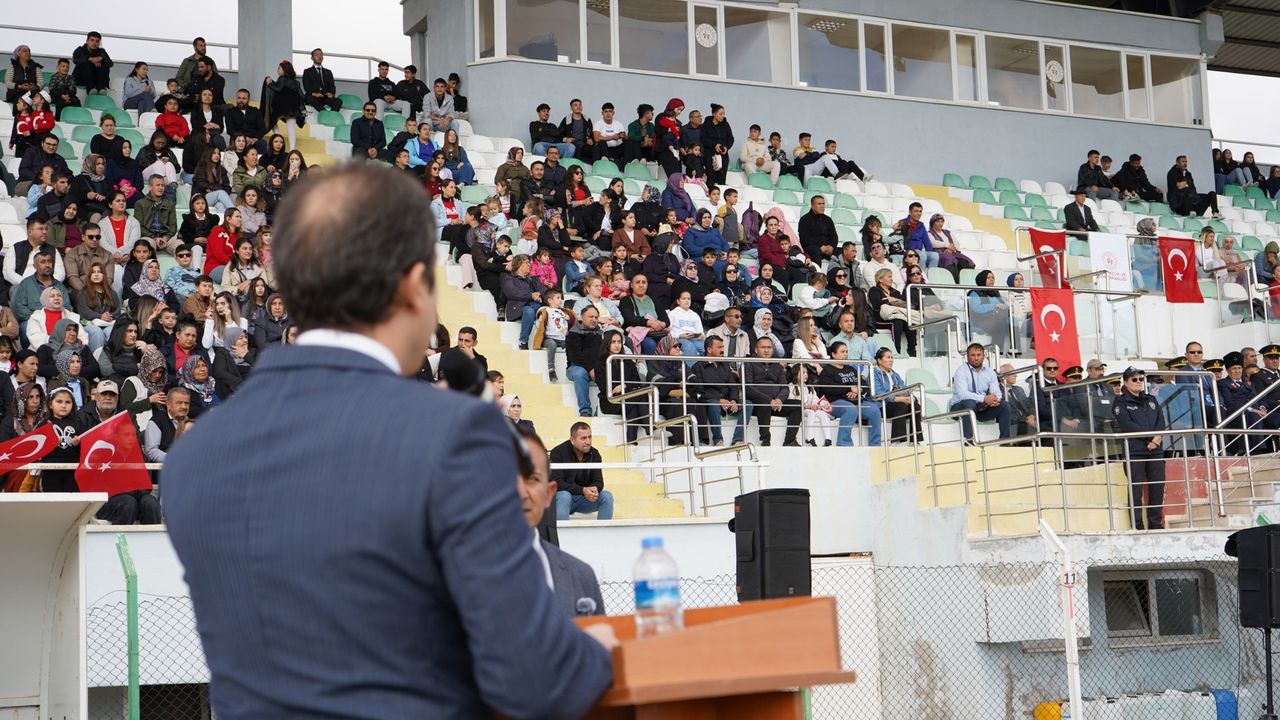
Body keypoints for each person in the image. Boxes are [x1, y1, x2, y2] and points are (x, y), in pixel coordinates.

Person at [166, 162, 616, 716]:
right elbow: (534, 674)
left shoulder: (194, 456)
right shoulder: (453, 433)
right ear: (412, 285)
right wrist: (600, 648)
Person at [1112, 367, 1166, 530]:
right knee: (1135, 490)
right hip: (1135, 451)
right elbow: (1127, 425)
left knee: (1157, 488)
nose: (1138, 382)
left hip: (1155, 450)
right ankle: (1137, 526)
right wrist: (1151, 437)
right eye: (1134, 379)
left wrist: (1157, 439)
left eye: (1141, 379)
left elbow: (1161, 421)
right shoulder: (1120, 402)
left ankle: (1155, 524)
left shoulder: (1151, 399)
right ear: (1126, 382)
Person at [743, 336, 802, 446]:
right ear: (756, 350)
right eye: (763, 347)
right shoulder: (749, 363)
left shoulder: (777, 366)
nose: (766, 350)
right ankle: (765, 440)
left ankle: (790, 440)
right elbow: (748, 388)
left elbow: (784, 388)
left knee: (798, 405)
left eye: (769, 347)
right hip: (757, 404)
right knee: (764, 403)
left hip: (776, 404)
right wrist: (769, 400)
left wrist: (779, 399)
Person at [549, 423, 615, 520]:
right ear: (572, 440)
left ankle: (603, 530)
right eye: (583, 438)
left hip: (584, 499)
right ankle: (561, 530)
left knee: (607, 496)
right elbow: (557, 484)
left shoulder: (594, 454)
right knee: (564, 496)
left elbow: (598, 481)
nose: (588, 442)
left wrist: (594, 489)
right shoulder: (558, 452)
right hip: (561, 499)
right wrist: (583, 490)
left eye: (589, 437)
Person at [950, 342, 1012, 441]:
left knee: (1004, 405)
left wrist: (994, 399)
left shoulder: (990, 372)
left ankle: (1005, 441)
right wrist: (984, 398)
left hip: (981, 408)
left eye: (979, 355)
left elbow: (997, 392)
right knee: (969, 403)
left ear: (984, 356)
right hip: (959, 408)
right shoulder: (961, 371)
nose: (976, 358)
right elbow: (963, 394)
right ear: (967, 357)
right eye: (973, 355)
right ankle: (969, 441)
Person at [1000, 364, 1037, 437]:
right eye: (1012, 373)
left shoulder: (1018, 389)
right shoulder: (997, 391)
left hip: (1028, 422)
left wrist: (1032, 415)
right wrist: (1026, 420)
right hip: (1014, 424)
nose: (1016, 375)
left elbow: (1029, 405)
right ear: (1003, 376)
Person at [798, 195, 838, 263]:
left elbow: (834, 237)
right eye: (819, 204)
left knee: (845, 251)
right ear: (812, 206)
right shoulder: (804, 219)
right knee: (815, 251)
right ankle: (816, 270)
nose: (822, 206)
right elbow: (804, 239)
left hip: (828, 249)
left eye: (823, 204)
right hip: (812, 248)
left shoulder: (828, 220)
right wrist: (820, 246)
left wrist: (831, 246)